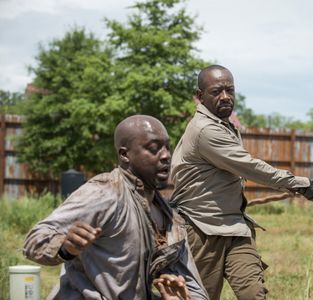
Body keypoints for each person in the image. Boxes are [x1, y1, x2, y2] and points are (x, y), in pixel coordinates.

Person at [169, 65, 313, 300]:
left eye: (229, 90)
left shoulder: (224, 125)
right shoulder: (205, 130)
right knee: (200, 297)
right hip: (202, 230)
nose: (225, 97)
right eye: (216, 92)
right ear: (200, 97)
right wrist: (301, 184)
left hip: (235, 227)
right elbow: (250, 167)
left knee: (254, 295)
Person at [23, 115, 208, 300]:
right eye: (154, 148)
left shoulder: (169, 218)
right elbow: (35, 240)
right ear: (124, 155)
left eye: (167, 146)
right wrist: (65, 247)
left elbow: (193, 287)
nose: (166, 155)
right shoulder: (105, 194)